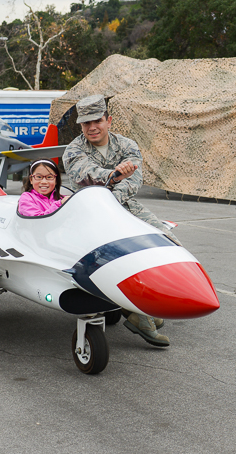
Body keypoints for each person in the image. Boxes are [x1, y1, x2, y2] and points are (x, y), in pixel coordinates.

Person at [63, 94, 173, 348]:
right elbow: (85, 174)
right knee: (115, 258)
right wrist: (113, 176)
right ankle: (138, 315)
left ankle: (148, 305)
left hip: (124, 205)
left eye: (97, 121)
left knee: (165, 244)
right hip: (87, 211)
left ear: (109, 120)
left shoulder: (126, 145)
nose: (92, 128)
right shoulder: (74, 149)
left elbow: (134, 180)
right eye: (85, 123)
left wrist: (115, 195)